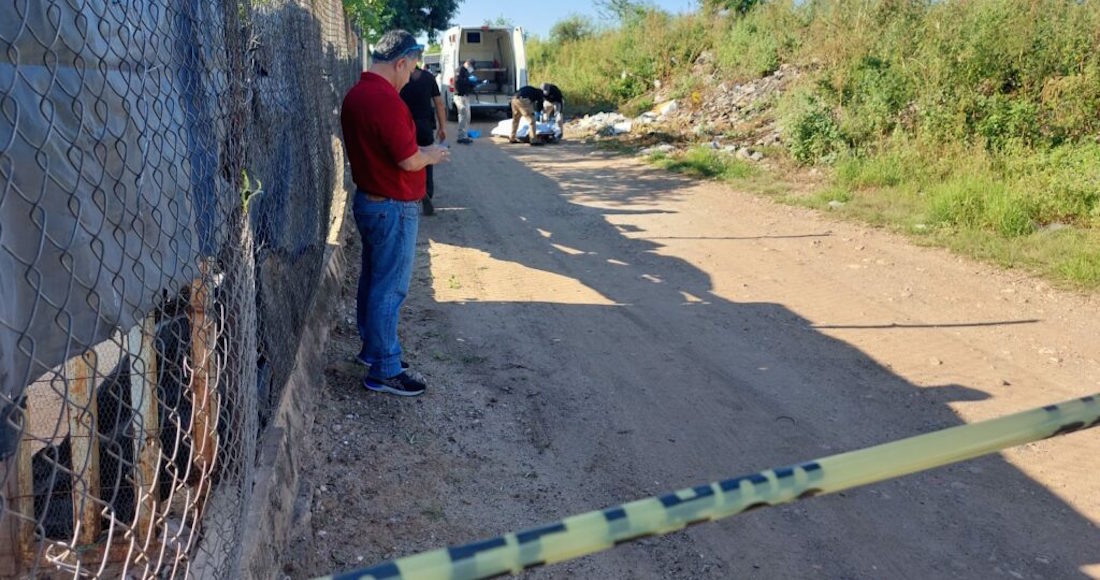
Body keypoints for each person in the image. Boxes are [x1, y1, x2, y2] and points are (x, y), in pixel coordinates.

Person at [340, 30, 449, 396]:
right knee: (390, 288)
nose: (411, 76)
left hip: (372, 201)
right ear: (400, 61)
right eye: (412, 67)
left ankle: (374, 352)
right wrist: (431, 154)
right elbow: (408, 160)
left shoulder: (358, 94)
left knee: (373, 281)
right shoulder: (386, 100)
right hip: (392, 206)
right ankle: (385, 369)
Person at [400, 62, 446, 215]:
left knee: (407, 159)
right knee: (427, 160)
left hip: (405, 126)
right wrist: (442, 127)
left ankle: (410, 194)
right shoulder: (428, 77)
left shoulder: (400, 77)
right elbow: (439, 103)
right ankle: (427, 191)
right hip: (425, 127)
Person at [454, 59, 476, 144]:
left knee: (467, 116)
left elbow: (467, 83)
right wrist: (469, 81)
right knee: (463, 114)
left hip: (465, 96)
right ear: (467, 64)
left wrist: (473, 85)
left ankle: (464, 135)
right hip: (459, 96)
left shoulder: (466, 72)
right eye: (471, 66)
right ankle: (461, 136)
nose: (472, 69)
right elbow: (458, 81)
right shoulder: (460, 70)